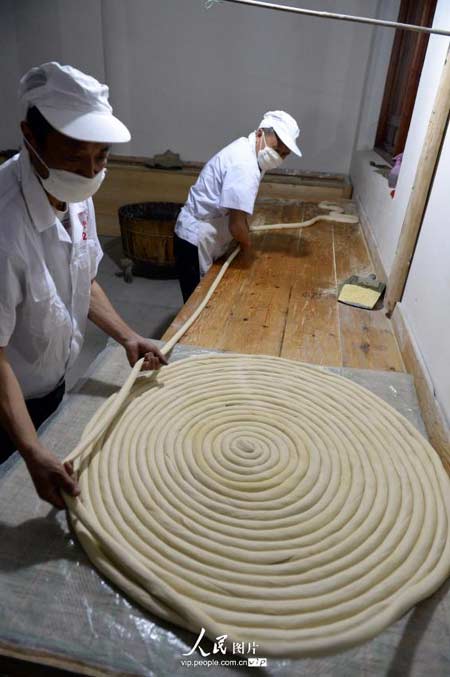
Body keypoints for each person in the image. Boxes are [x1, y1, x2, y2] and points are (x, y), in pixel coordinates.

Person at [0, 62, 166, 508]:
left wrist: (128, 337)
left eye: (101, 156)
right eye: (74, 155)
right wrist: (31, 450)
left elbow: (82, 278)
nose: (89, 170)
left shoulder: (76, 192)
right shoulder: (4, 228)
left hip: (50, 383)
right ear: (30, 138)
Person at [173, 110, 302, 302]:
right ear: (260, 134)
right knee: (196, 305)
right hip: (195, 239)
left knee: (208, 299)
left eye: (284, 154)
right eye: (276, 150)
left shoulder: (251, 150)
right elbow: (236, 225)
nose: (278, 157)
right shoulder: (245, 164)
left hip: (209, 231)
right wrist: (247, 247)